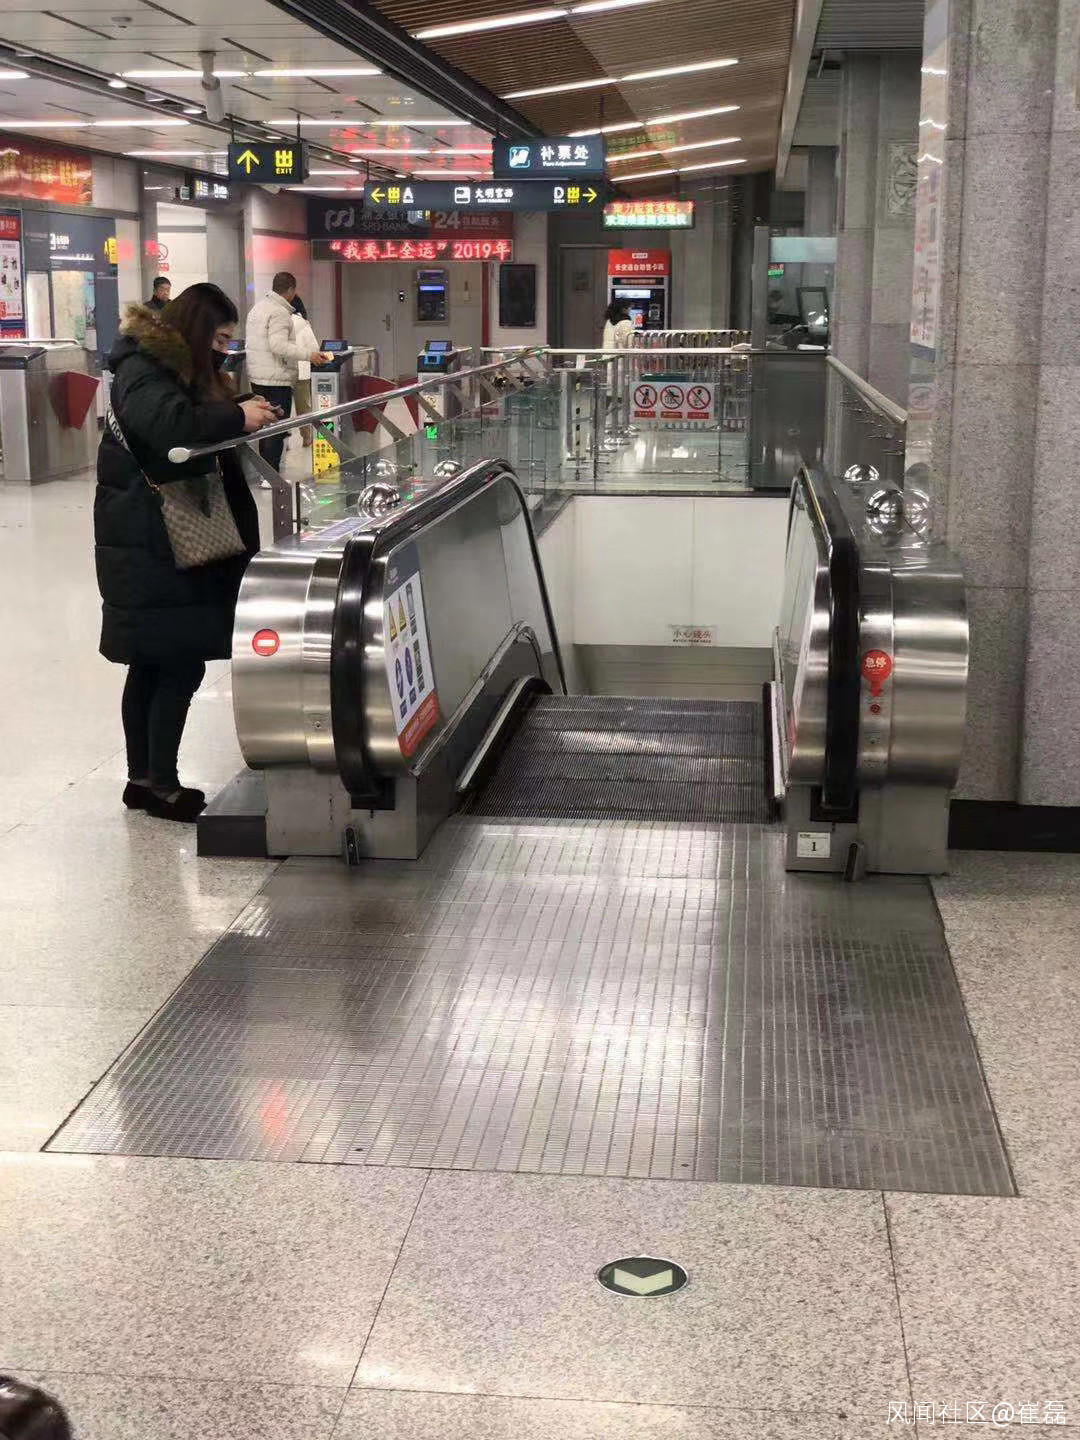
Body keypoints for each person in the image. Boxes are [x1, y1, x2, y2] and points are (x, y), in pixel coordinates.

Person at [94, 283, 277, 822]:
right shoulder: (145, 368)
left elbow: (184, 417)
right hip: (156, 538)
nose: (224, 351)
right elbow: (171, 427)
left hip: (158, 534)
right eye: (218, 340)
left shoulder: (162, 367)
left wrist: (235, 407)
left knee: (155, 661)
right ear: (196, 331)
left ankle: (143, 781)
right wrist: (236, 418)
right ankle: (161, 786)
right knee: (175, 661)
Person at [245, 271, 326, 472]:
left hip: (257, 378)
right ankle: (271, 473)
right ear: (290, 290)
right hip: (276, 379)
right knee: (276, 429)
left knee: (265, 427)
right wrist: (309, 355)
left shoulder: (257, 309)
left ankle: (265, 472)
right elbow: (278, 346)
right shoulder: (280, 312)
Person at [290, 293, 321, 448]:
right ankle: (307, 437)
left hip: (281, 372)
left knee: (283, 408)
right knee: (303, 406)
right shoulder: (302, 323)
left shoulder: (276, 321)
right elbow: (314, 348)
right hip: (301, 371)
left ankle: (284, 441)